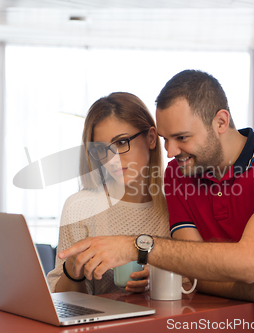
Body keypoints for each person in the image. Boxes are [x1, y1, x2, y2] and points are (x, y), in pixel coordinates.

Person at [59, 71, 254, 332]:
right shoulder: (178, 176)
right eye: (167, 140)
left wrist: (137, 246)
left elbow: (249, 261)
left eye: (182, 137)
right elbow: (197, 274)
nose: (170, 151)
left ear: (221, 122)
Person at [47, 92, 170, 295]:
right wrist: (72, 268)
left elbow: (193, 284)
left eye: (121, 142)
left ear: (151, 138)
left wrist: (159, 276)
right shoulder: (80, 208)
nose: (112, 159)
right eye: (102, 149)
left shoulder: (176, 205)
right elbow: (63, 301)